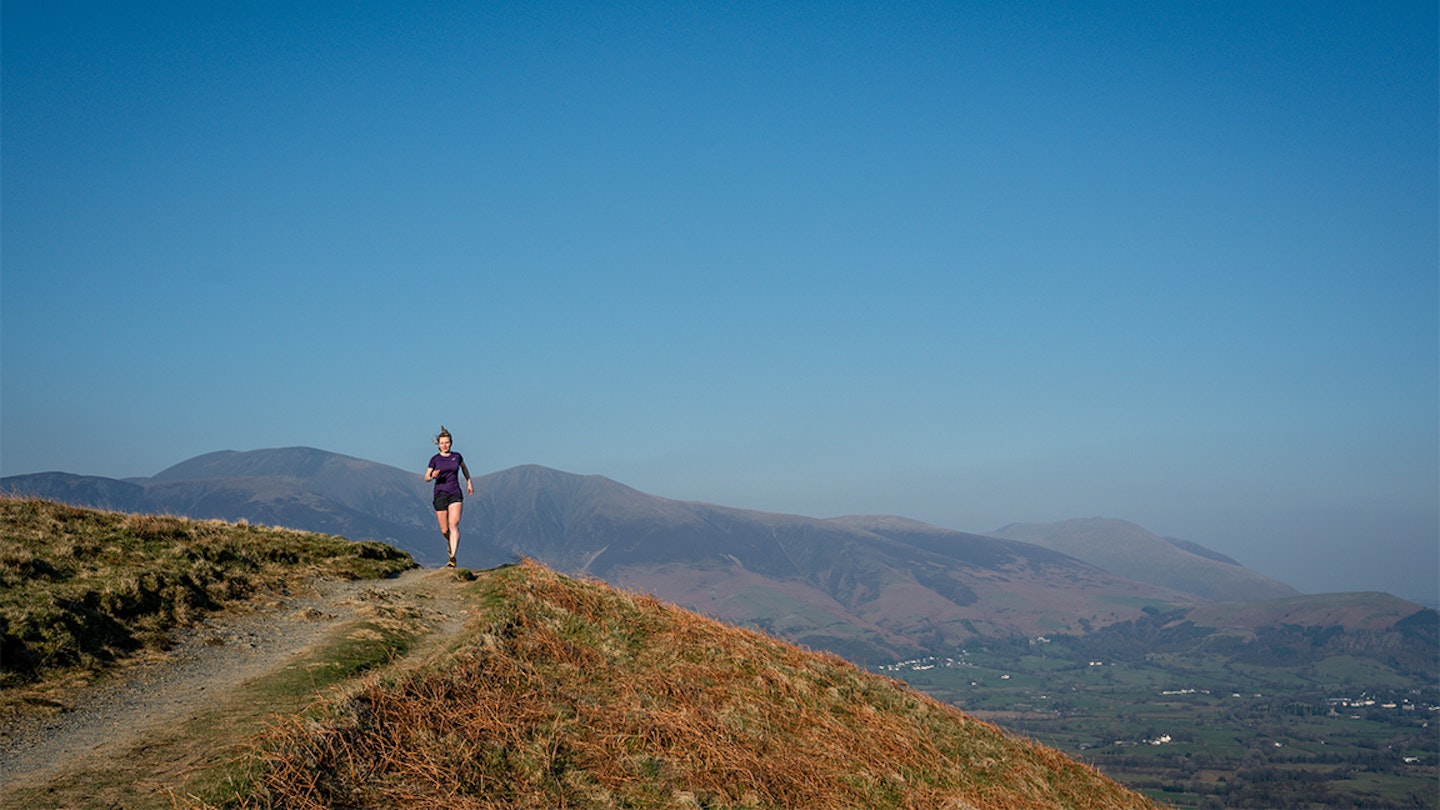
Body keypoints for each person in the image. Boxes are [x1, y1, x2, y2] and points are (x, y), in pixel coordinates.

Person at [425, 426, 473, 567]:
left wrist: (469, 482)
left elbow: (464, 468)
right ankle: (450, 543)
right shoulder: (434, 459)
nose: (444, 445)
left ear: (451, 443)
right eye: (442, 443)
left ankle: (452, 557)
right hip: (440, 494)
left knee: (454, 524)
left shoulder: (456, 456)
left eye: (447, 442)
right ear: (438, 445)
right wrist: (432, 476)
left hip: (455, 493)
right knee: (445, 530)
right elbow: (426, 477)